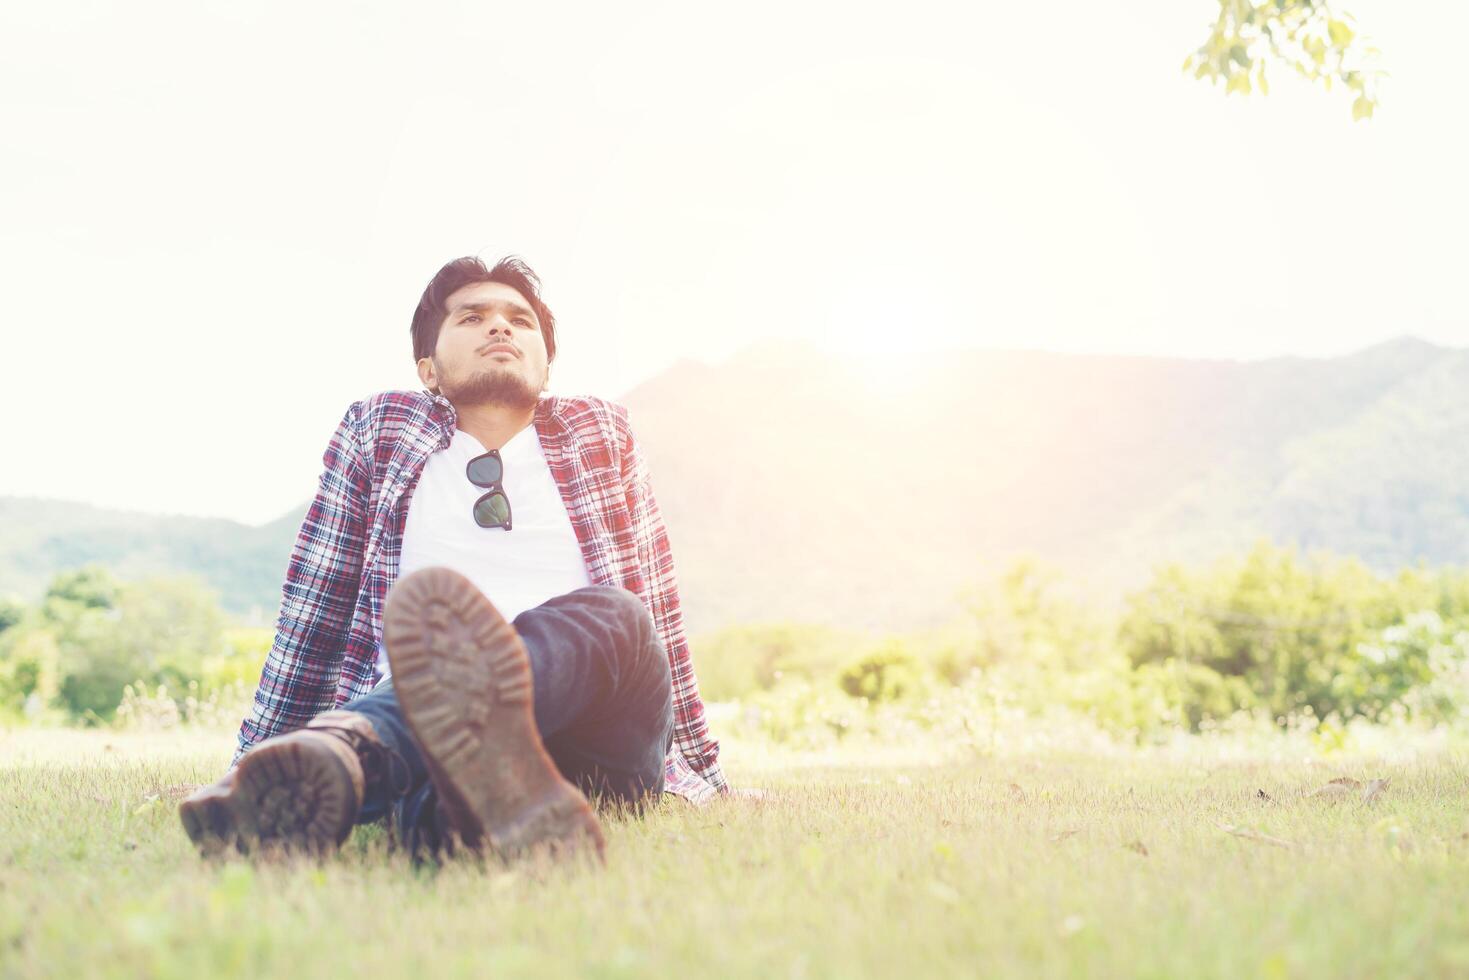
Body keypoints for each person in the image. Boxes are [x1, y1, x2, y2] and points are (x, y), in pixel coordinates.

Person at [179, 255, 729, 861]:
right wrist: (254, 762)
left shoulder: (599, 433)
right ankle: (459, 812)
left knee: (618, 614)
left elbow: (660, 612)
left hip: (597, 744)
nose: (500, 327)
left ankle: (356, 748)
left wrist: (704, 774)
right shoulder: (380, 430)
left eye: (520, 321)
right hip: (429, 743)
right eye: (472, 317)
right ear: (428, 368)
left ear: (547, 368)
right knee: (447, 792)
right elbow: (316, 610)